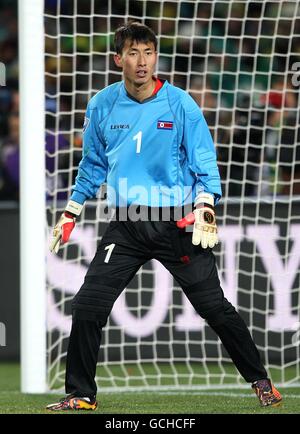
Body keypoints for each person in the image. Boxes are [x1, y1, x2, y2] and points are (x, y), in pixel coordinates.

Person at [46, 22, 282, 411]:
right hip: (125, 225)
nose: (143, 62)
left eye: (149, 52)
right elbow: (92, 165)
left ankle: (261, 381)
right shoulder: (100, 104)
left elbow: (205, 163)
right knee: (88, 305)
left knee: (215, 309)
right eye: (134, 53)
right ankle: (81, 395)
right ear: (117, 59)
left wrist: (206, 206)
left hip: (178, 225)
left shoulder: (180, 103)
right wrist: (72, 210)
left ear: (156, 57)